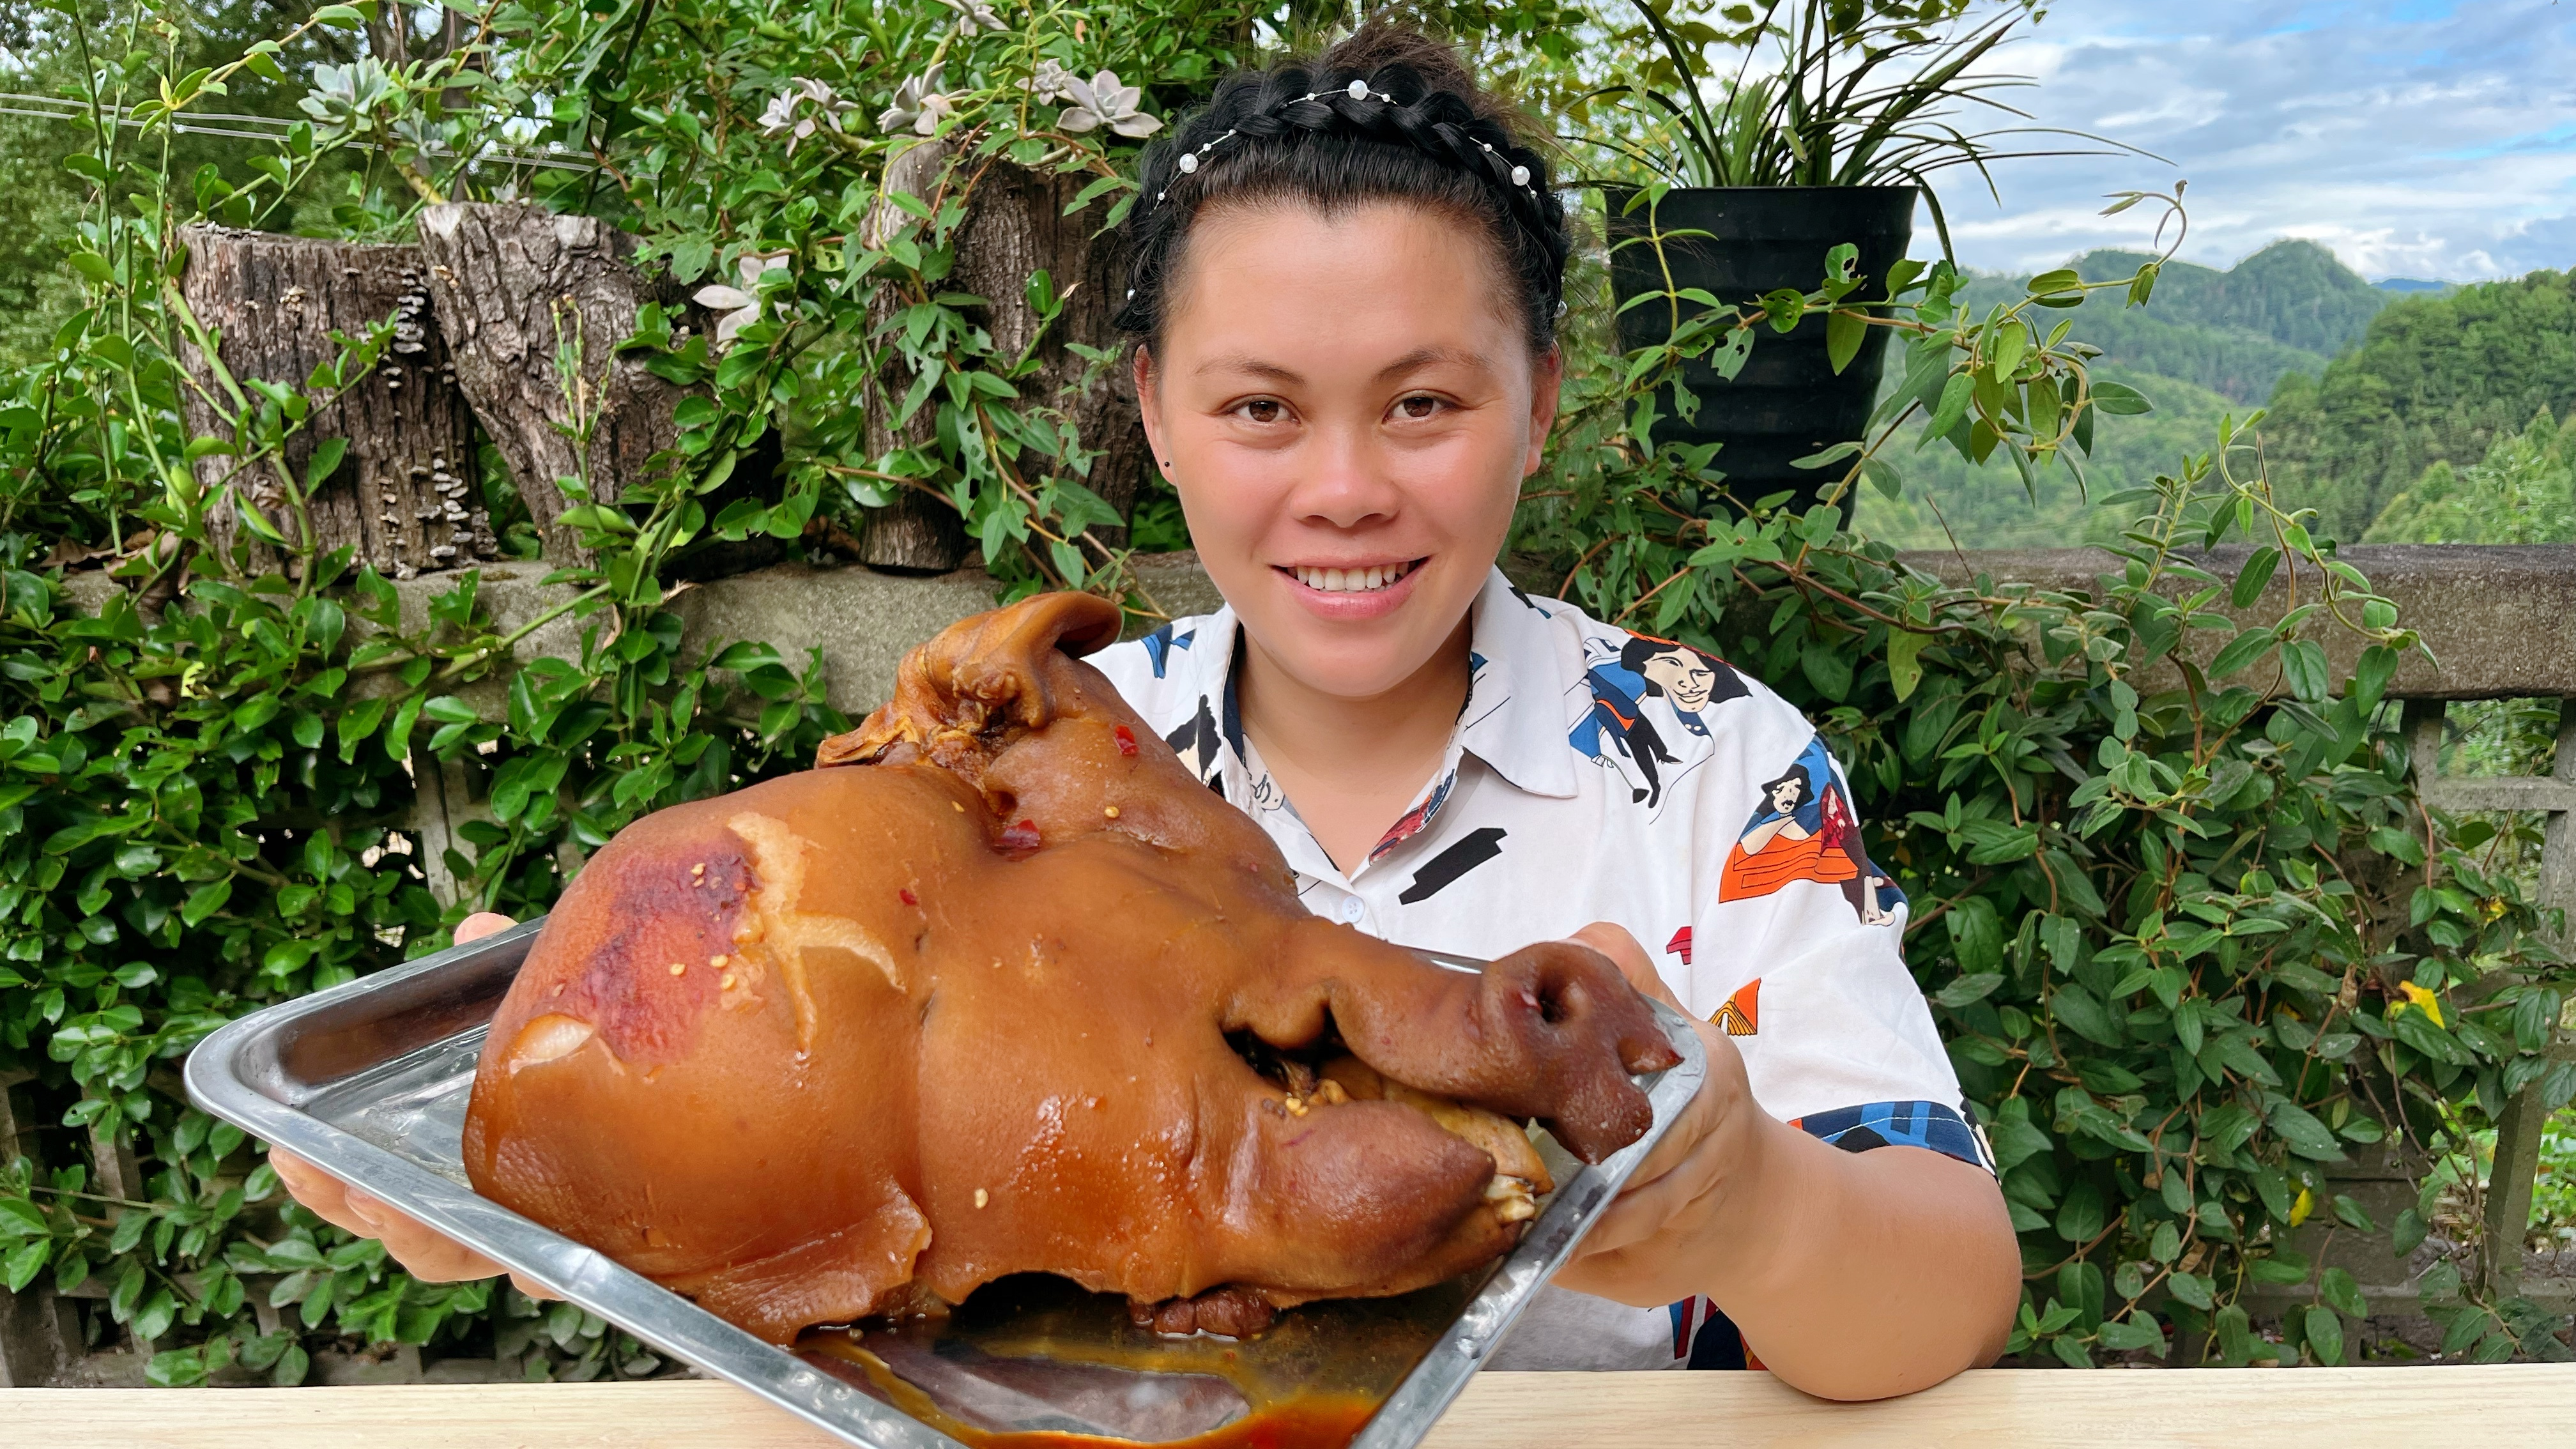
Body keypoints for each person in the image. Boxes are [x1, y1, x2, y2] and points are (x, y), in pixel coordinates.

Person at [278, 21, 2019, 1400]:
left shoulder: (1710, 764)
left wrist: (1750, 1206)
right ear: (1157, 414)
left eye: (1424, 403)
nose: (1345, 486)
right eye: (1261, 408)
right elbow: (813, 1204)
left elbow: (1950, 1287)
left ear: (1542, 401)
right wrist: (540, 1173)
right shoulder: (1041, 750)